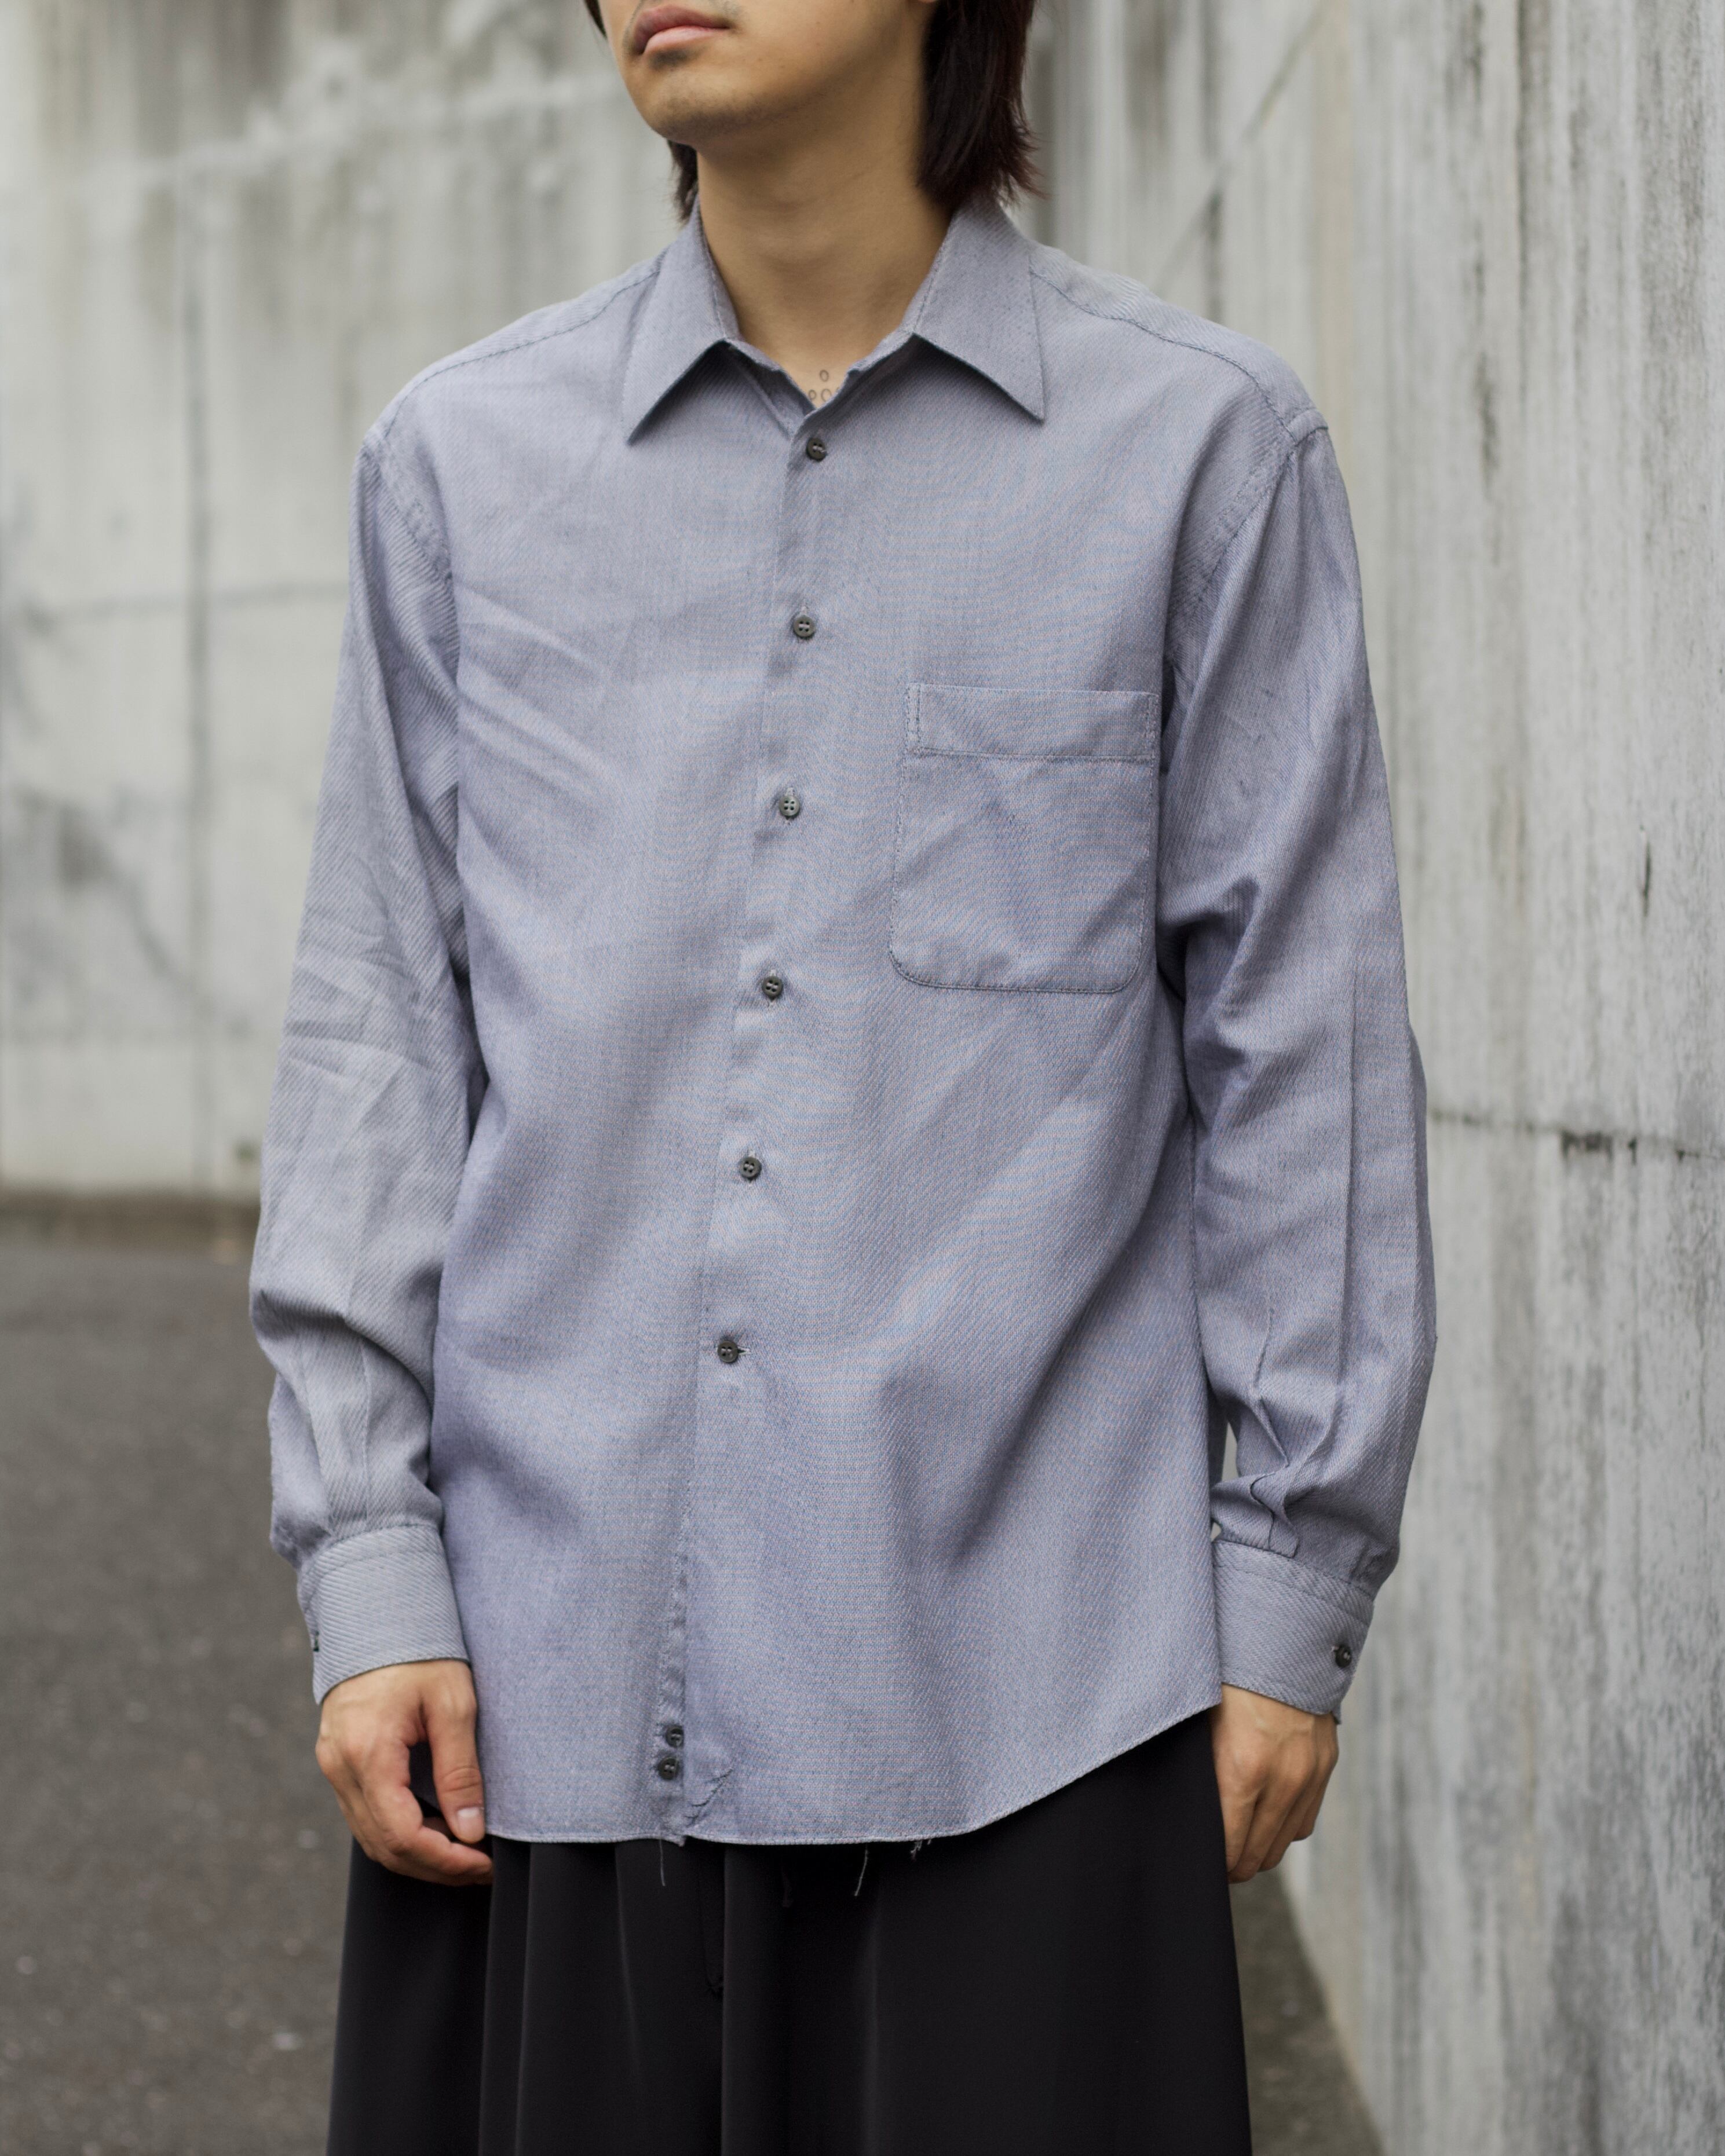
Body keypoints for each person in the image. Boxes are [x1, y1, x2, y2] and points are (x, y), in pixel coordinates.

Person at [250, 0, 1436, 2147]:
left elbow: (1305, 1058)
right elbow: (379, 1043)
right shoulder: (460, 468)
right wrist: (369, 1560)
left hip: (1029, 1707)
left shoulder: (1198, 454)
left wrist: (1287, 1586)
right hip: (540, 1702)